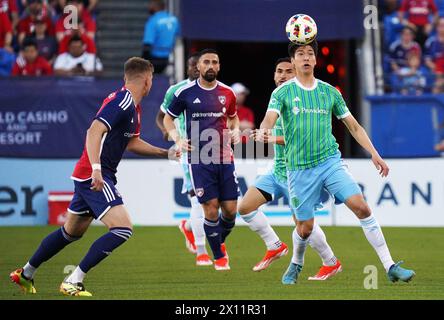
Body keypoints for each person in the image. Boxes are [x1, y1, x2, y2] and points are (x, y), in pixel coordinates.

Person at [10, 57, 180, 296]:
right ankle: (74, 280)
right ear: (146, 80)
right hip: (95, 175)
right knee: (122, 229)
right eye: (151, 78)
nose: (151, 83)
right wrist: (97, 169)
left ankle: (25, 273)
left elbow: (131, 143)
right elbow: (94, 130)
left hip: (87, 174)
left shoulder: (134, 107)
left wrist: (166, 153)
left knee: (70, 233)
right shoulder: (123, 100)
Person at [259, 40, 415, 285]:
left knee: (361, 207)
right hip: (299, 169)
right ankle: (296, 263)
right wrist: (264, 130)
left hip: (329, 161)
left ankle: (390, 266)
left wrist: (374, 153)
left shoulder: (329, 92)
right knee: (305, 228)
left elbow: (352, 125)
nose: (306, 57)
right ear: (294, 61)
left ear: (316, 59)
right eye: (301, 54)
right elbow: (270, 118)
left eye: (310, 53)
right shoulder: (282, 92)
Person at [240, 57, 342, 280]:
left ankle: (330, 261)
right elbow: (267, 129)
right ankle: (274, 245)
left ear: (296, 74)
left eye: (289, 71)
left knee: (304, 226)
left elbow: (299, 139)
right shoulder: (277, 100)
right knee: (246, 207)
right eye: (279, 71)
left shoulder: (301, 102)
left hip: (298, 174)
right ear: (274, 75)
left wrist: (271, 138)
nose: (283, 75)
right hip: (277, 171)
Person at [163, 49, 241, 271]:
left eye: (214, 62)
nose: (210, 66)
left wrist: (235, 131)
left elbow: (234, 119)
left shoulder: (228, 93)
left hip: (225, 157)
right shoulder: (185, 93)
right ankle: (219, 256)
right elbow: (168, 119)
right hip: (198, 158)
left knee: (230, 210)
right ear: (198, 66)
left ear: (219, 66)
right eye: (206, 62)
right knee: (210, 208)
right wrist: (177, 139)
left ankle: (217, 241)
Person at [156, 52, 212, 266]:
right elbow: (161, 117)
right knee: (198, 198)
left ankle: (188, 226)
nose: (196, 69)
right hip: (188, 151)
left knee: (217, 203)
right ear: (190, 67)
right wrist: (167, 132)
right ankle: (202, 252)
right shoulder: (177, 91)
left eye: (199, 65)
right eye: (193, 66)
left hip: (214, 152)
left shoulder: (217, 90)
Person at [142, 0, 180, 73]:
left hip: (154, 59)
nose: (149, 7)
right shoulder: (174, 20)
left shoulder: (153, 21)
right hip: (168, 57)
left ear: (155, 7)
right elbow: (177, 37)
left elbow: (147, 44)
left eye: (150, 5)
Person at [425, 17, 444, 93]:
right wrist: (436, 69)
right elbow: (427, 60)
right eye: (441, 25)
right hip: (435, 70)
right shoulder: (430, 42)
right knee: (438, 83)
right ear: (437, 27)